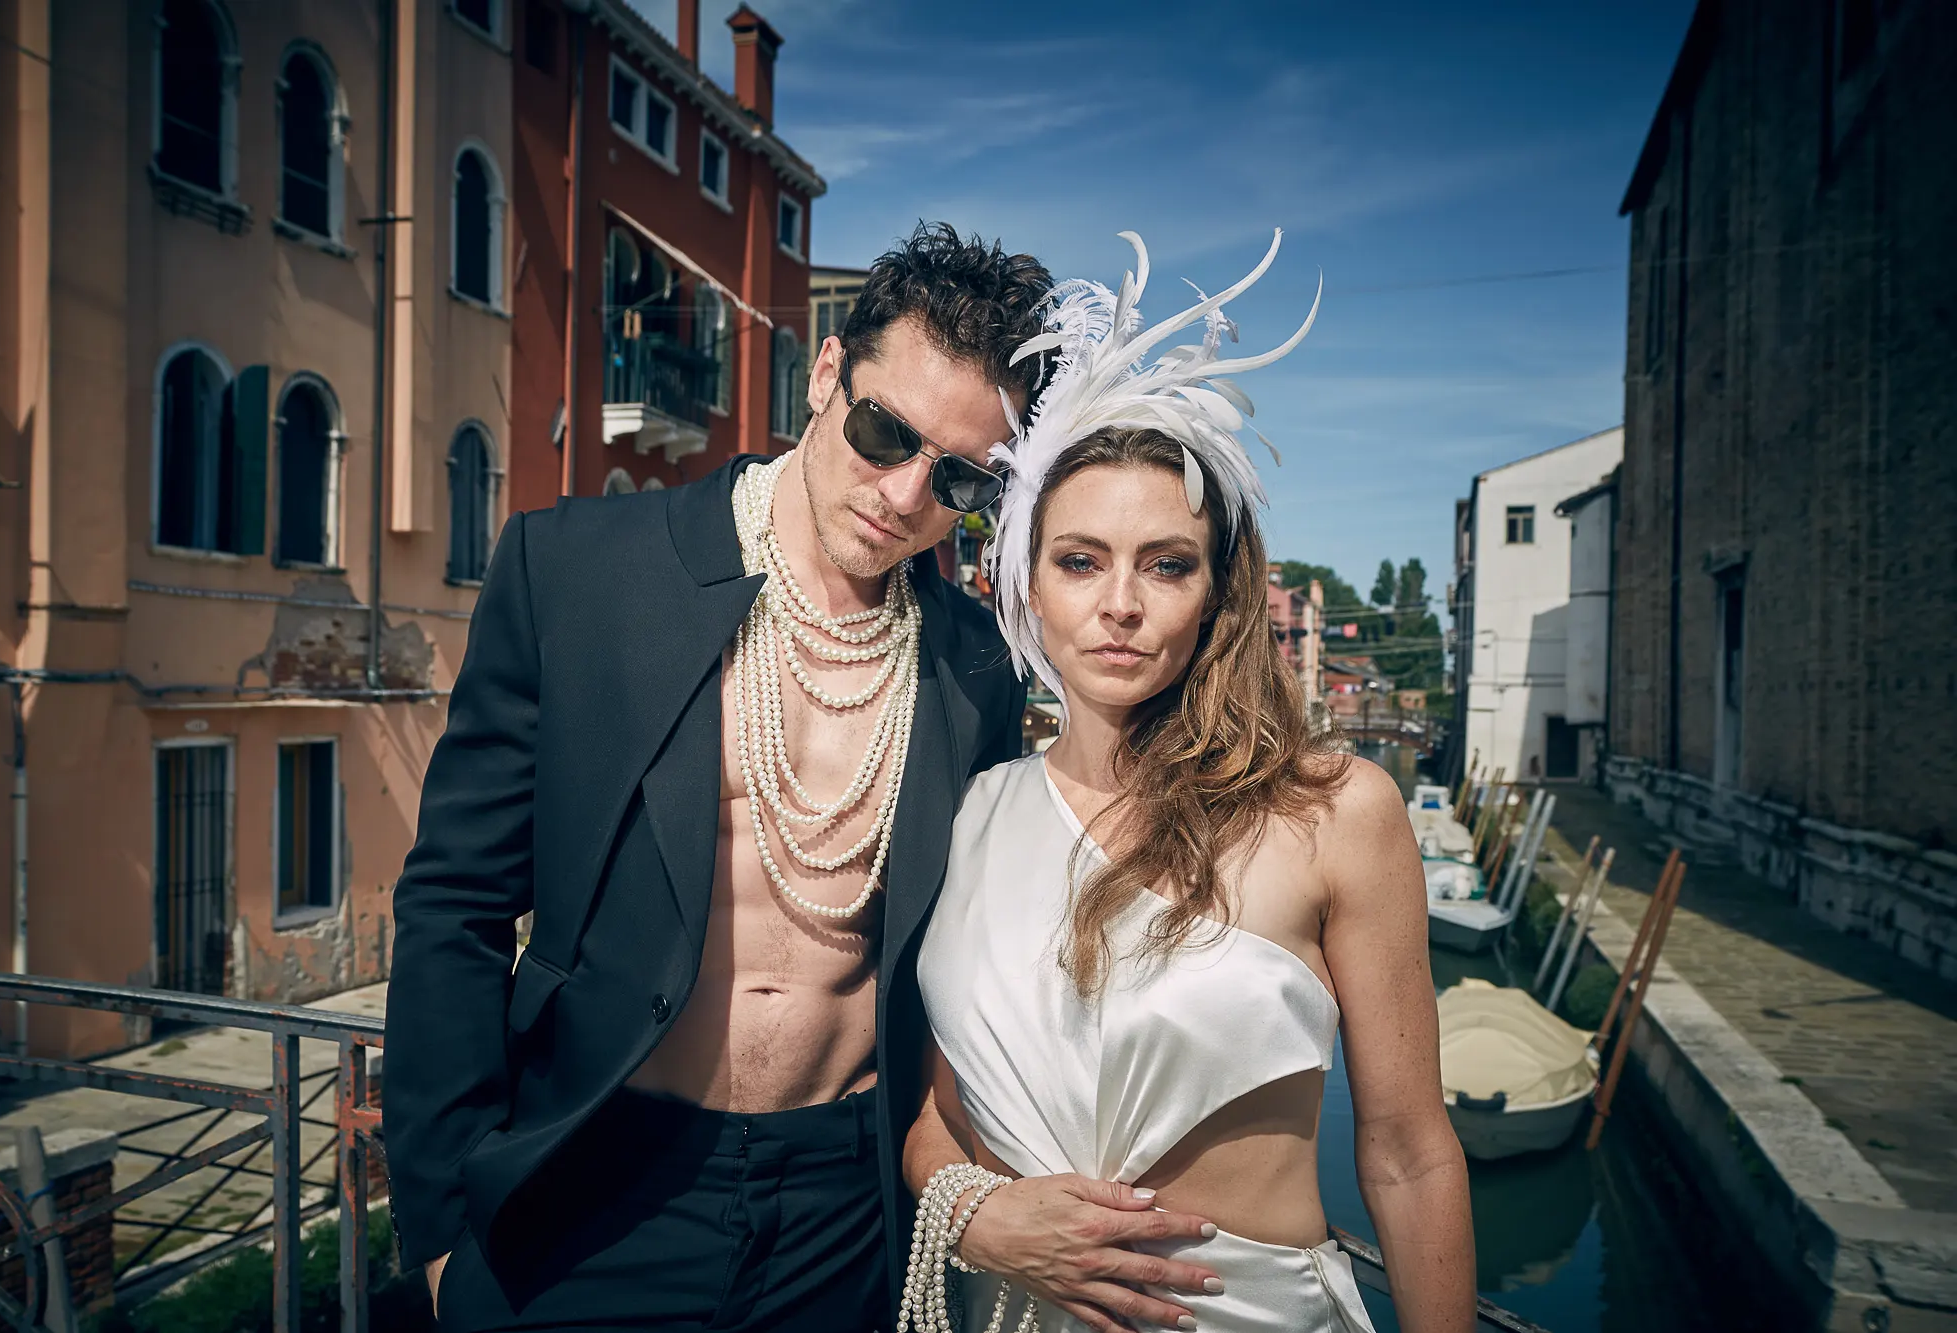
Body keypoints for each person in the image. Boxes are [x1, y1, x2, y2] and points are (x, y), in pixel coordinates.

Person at [382, 223, 1053, 1332]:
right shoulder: (576, 570)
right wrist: (446, 1225)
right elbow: (454, 900)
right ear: (828, 373)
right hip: (596, 1179)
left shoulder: (977, 665)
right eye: (885, 432)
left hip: (843, 1206)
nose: (902, 494)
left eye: (961, 477)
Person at [904, 233, 1477, 1333]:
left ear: (1216, 593)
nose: (1119, 603)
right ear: (1024, 581)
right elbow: (932, 1115)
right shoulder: (971, 811)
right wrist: (974, 1217)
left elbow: (1406, 1154)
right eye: (1079, 561)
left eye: (1165, 562)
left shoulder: (1333, 814)